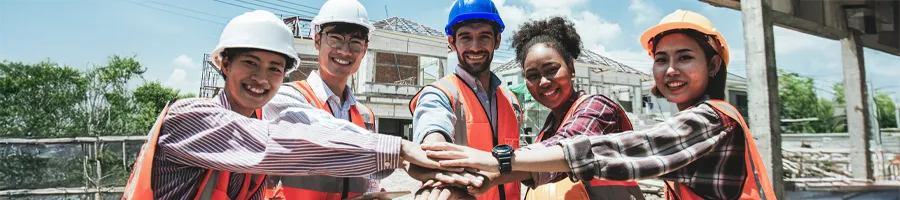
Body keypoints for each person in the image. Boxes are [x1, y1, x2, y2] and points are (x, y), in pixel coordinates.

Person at [422, 10, 777, 200]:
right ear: (451, 42)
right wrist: (482, 177)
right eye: (532, 75)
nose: (671, 70)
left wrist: (496, 162)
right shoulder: (547, 122)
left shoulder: (709, 120)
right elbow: (542, 167)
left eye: (685, 58)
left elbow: (589, 149)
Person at [121, 10, 451, 200]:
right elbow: (277, 142)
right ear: (223, 64)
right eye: (249, 63)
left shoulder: (359, 114)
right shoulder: (192, 118)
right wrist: (401, 150)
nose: (261, 79)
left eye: (274, 69)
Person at [260, 0, 383, 199]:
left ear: (365, 49)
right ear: (317, 41)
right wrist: (398, 150)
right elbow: (323, 131)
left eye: (355, 43)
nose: (345, 51)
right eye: (335, 39)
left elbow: (371, 181)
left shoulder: (366, 116)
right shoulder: (287, 98)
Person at [407, 0, 522, 199]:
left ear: (497, 40)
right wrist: (434, 152)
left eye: (484, 37)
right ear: (452, 43)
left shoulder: (511, 100)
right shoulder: (440, 94)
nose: (475, 47)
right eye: (466, 37)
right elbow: (432, 138)